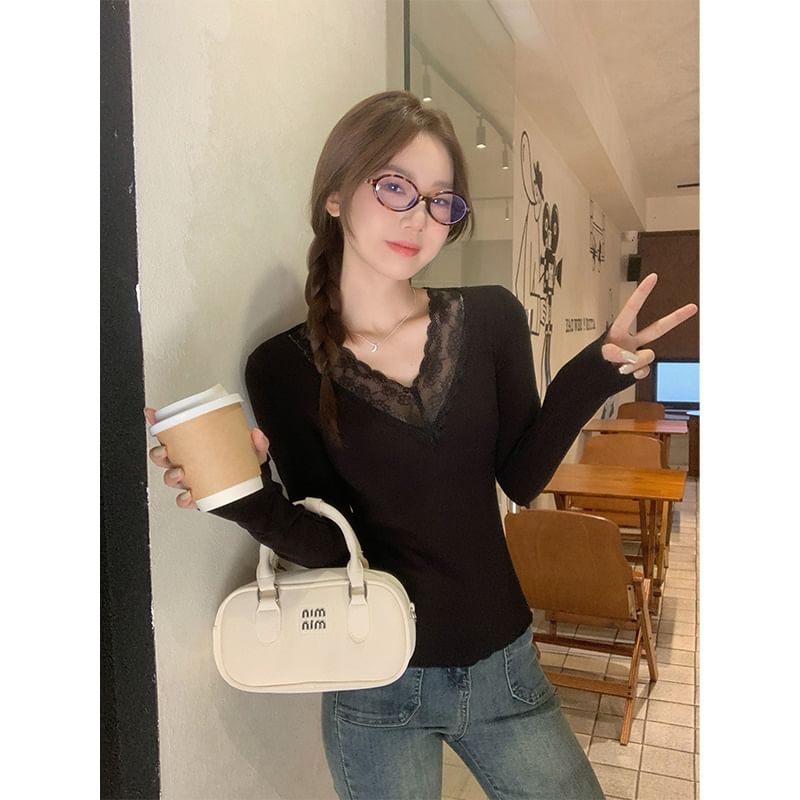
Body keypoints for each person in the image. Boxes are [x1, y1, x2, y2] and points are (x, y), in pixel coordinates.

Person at [146, 90, 697, 800]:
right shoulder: (280, 367)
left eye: (441, 201)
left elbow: (522, 477)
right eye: (395, 186)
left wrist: (595, 370)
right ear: (336, 195)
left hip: (503, 664)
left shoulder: (492, 317)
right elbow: (330, 545)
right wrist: (240, 497)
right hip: (375, 678)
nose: (419, 217)